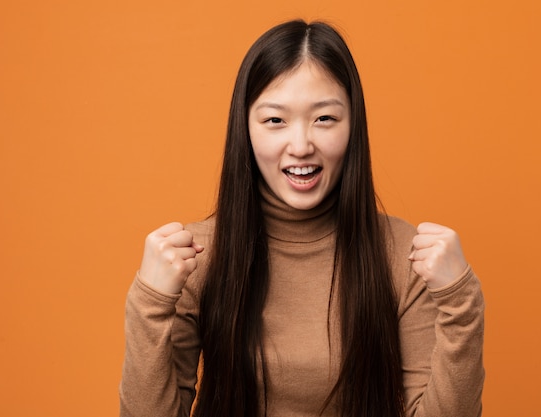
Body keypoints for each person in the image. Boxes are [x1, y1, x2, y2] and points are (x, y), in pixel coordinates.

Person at [119, 19, 485, 417]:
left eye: (324, 119)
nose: (300, 145)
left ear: (353, 126)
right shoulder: (196, 257)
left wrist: (460, 301)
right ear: (246, 129)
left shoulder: (404, 255)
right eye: (275, 120)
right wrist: (150, 303)